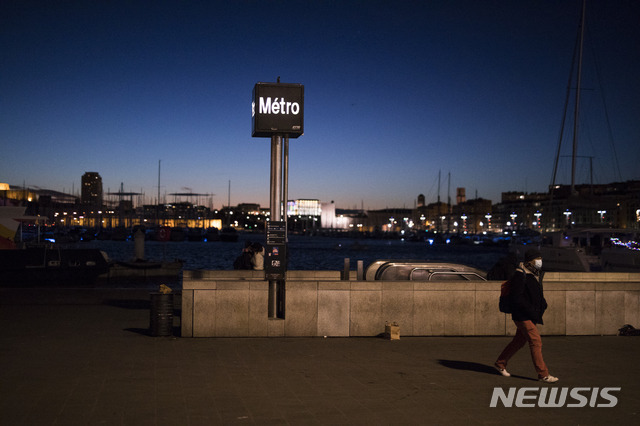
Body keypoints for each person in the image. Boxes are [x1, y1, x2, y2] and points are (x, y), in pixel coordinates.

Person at [494, 248, 559, 383]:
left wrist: (542, 305)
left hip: (529, 314)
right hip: (523, 315)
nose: (539, 262)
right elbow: (516, 298)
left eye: (540, 259)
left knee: (519, 341)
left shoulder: (532, 274)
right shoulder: (520, 275)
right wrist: (530, 310)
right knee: (535, 341)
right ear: (530, 261)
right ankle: (543, 374)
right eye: (537, 260)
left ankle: (500, 363)